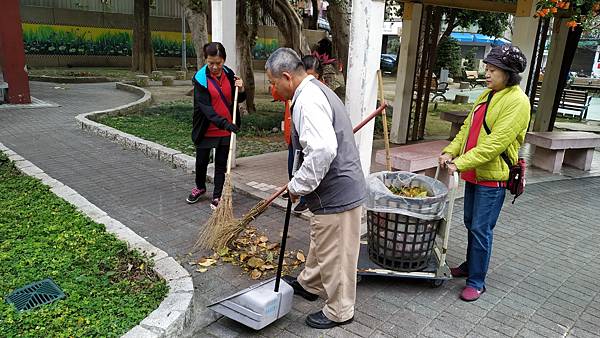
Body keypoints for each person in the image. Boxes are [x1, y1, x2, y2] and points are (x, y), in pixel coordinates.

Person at [266, 48, 366, 329]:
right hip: (335, 190)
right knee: (322, 243)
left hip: (338, 193)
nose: (273, 90)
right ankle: (309, 283)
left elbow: (322, 150)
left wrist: (298, 185)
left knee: (337, 254)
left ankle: (340, 310)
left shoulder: (307, 101)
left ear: (287, 77)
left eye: (273, 83)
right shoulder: (312, 90)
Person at [439, 44, 530, 302]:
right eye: (487, 69)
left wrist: (460, 163)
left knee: (481, 228)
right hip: (474, 174)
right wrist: (450, 151)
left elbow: (495, 144)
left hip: (493, 178)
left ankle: (477, 281)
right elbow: (467, 129)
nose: (487, 74)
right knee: (471, 223)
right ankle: (470, 265)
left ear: (508, 73)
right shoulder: (487, 95)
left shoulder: (518, 102)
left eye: (493, 70)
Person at [187, 42, 245, 209]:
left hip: (225, 128)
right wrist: (226, 124)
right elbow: (207, 110)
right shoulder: (200, 80)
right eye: (210, 62)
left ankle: (217, 195)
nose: (214, 67)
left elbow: (238, 100)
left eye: (218, 63)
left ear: (224, 60)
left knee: (221, 163)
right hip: (207, 128)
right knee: (201, 162)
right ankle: (200, 187)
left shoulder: (229, 74)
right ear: (205, 60)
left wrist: (241, 90)